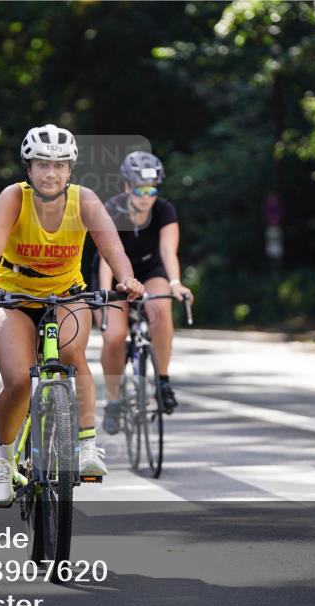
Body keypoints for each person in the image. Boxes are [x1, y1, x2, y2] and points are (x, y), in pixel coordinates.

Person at [0, 124, 144, 507]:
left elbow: (113, 248)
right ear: (28, 169)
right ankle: (4, 460)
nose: (51, 173)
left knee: (72, 354)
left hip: (67, 296)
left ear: (70, 169)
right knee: (18, 382)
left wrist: (127, 279)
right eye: (42, 164)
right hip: (13, 297)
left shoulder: (85, 200)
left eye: (59, 165)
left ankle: (88, 445)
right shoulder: (14, 198)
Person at [92, 151, 193, 435]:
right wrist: (104, 293)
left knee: (161, 309)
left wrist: (175, 283)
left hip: (150, 270)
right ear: (126, 186)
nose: (145, 195)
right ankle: (113, 401)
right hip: (113, 273)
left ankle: (162, 380)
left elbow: (168, 252)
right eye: (139, 189)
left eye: (151, 189)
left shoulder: (164, 210)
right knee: (113, 337)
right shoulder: (112, 209)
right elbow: (104, 258)